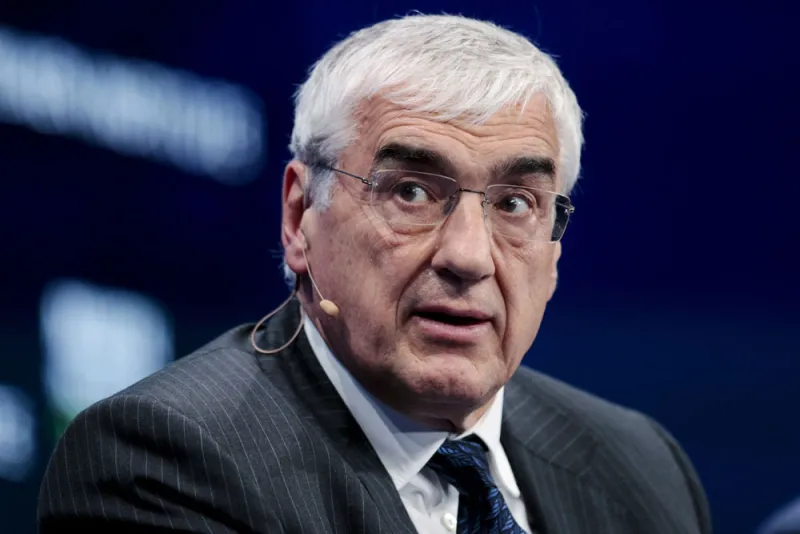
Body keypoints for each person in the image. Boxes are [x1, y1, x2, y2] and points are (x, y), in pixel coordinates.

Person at [38, 13, 712, 534]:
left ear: (555, 250)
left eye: (515, 204)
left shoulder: (643, 467)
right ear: (300, 215)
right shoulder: (159, 462)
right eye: (411, 192)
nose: (469, 257)